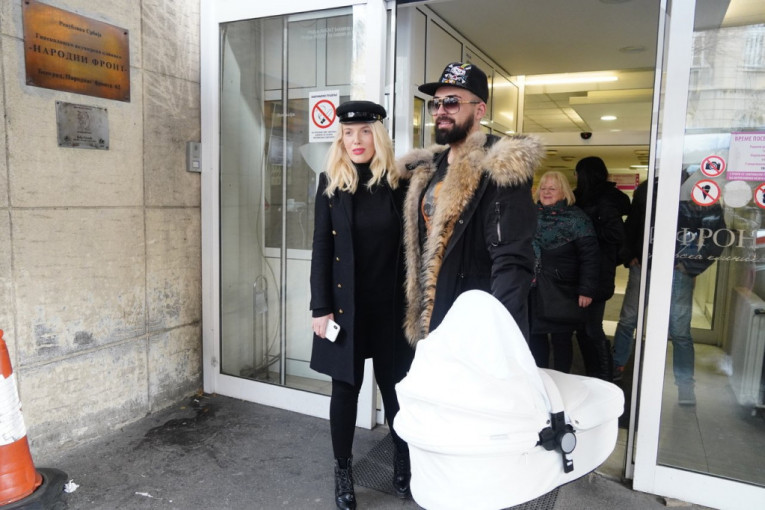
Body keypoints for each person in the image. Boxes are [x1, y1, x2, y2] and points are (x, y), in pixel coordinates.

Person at [309, 100, 415, 509]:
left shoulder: (400, 184)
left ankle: (403, 456)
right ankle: (343, 471)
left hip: (389, 308)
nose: (356, 140)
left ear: (378, 136)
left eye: (365, 131)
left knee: (395, 388)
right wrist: (320, 307)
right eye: (349, 133)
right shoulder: (331, 183)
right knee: (345, 390)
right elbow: (322, 247)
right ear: (341, 138)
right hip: (344, 309)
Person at [396, 62, 542, 346]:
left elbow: (512, 261)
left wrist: (499, 333)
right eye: (436, 103)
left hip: (474, 324)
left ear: (479, 110)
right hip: (431, 319)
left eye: (452, 102)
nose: (440, 111)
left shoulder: (499, 166)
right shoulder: (427, 168)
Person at [528, 171, 600, 373]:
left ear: (564, 192)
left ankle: (562, 381)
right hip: (535, 289)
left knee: (561, 339)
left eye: (552, 188)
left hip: (563, 290)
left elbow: (590, 258)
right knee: (535, 337)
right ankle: (541, 381)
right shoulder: (529, 216)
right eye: (543, 188)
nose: (546, 192)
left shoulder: (577, 219)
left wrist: (586, 290)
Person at [572, 156, 630, 381]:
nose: (575, 177)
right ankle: (595, 372)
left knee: (591, 327)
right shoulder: (589, 197)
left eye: (577, 173)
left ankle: (605, 373)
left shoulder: (602, 200)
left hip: (597, 271)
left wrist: (586, 233)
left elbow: (616, 233)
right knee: (583, 326)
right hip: (591, 270)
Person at [611, 179, 650, 381]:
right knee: (629, 318)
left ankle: (665, 372)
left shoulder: (688, 188)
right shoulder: (647, 189)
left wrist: (688, 266)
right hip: (642, 265)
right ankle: (617, 363)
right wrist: (630, 256)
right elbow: (632, 225)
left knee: (674, 326)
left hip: (673, 269)